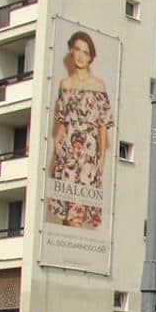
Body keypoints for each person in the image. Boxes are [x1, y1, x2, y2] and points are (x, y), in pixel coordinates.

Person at [47, 30, 113, 230]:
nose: (80, 55)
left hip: (88, 154)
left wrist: (101, 158)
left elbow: (102, 124)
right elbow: (62, 121)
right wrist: (57, 144)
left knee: (81, 208)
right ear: (71, 51)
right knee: (68, 209)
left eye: (85, 52)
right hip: (68, 153)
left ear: (91, 56)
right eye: (77, 50)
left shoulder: (99, 86)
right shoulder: (65, 84)